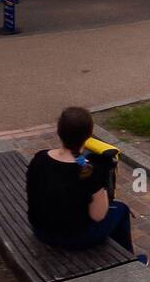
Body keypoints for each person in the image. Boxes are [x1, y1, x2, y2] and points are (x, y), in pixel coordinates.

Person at [27, 106, 142, 258]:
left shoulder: (39, 158)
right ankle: (130, 262)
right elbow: (98, 216)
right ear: (88, 135)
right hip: (74, 238)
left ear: (59, 131)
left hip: (41, 230)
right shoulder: (89, 172)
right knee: (121, 210)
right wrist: (103, 191)